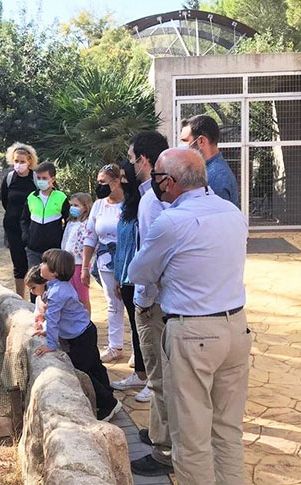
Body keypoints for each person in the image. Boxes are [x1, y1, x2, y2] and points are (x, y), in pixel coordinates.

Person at [129, 148, 250, 484]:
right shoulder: (232, 212)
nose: (155, 184)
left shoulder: (171, 221)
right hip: (236, 328)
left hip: (193, 332)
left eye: (157, 178)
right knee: (227, 430)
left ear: (168, 182)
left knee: (191, 434)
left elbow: (140, 272)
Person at [125, 131, 174, 477]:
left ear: (143, 160)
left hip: (155, 303)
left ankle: (165, 451)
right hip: (164, 302)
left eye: (130, 160)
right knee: (161, 376)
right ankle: (158, 432)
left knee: (159, 377)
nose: (129, 166)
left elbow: (153, 259)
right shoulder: (153, 196)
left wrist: (143, 300)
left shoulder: (152, 201)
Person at [34, 249, 122, 422]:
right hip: (86, 330)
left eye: (44, 263)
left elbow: (53, 319)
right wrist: (47, 330)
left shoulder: (57, 292)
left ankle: (108, 403)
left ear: (55, 272)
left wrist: (50, 344)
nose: (40, 265)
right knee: (95, 366)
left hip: (80, 337)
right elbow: (57, 319)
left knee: (81, 371)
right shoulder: (57, 286)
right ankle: (107, 393)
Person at [110, 160, 149, 398]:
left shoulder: (147, 205)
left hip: (139, 278)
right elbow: (122, 245)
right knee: (135, 328)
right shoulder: (127, 207)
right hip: (124, 277)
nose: (122, 181)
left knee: (145, 330)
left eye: (126, 176)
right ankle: (141, 374)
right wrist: (116, 276)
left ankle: (153, 381)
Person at [81, 163, 125, 363]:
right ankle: (115, 345)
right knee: (113, 303)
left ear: (115, 182)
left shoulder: (130, 204)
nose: (99, 186)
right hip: (106, 261)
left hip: (127, 260)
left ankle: (141, 350)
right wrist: (85, 265)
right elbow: (90, 236)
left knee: (135, 303)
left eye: (103, 182)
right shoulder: (99, 205)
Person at [20, 161, 70, 302]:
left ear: (52, 179)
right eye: (39, 178)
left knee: (52, 280)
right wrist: (26, 236)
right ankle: (34, 310)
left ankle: (52, 309)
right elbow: (24, 219)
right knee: (34, 279)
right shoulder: (31, 197)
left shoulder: (61, 197)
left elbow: (69, 221)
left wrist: (62, 238)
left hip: (53, 249)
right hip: (33, 248)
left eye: (44, 178)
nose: (41, 181)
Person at [1, 143, 38, 298]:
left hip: (32, 228)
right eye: (16, 161)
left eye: (22, 161)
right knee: (18, 264)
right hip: (13, 228)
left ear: (29, 161)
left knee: (33, 264)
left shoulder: (36, 178)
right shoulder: (9, 178)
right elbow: (5, 201)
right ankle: (19, 298)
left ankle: (35, 298)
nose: (19, 164)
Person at [180, 114, 239, 207]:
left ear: (201, 141)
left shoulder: (215, 177)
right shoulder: (208, 171)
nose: (181, 145)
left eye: (185, 140)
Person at [61, 192, 93, 313]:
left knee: (82, 296)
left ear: (85, 207)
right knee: (71, 294)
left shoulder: (87, 224)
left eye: (76, 205)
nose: (73, 208)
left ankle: (86, 321)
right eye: (72, 205)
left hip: (80, 263)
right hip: (68, 263)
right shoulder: (70, 223)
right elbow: (65, 241)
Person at [25, 265, 48, 335]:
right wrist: (38, 317)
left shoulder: (52, 298)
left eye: (33, 287)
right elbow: (37, 312)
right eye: (30, 289)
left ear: (44, 283)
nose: (31, 291)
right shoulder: (38, 298)